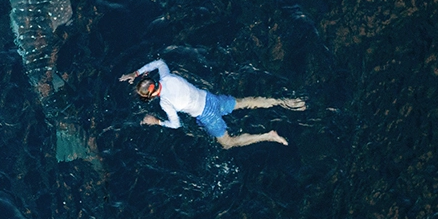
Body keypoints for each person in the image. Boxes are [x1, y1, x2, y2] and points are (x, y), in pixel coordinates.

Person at [119, 59, 306, 148]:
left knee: (228, 143)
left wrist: (156, 121)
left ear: (150, 96)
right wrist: (135, 73)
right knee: (245, 102)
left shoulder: (165, 104)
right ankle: (285, 102)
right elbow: (159, 62)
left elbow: (176, 125)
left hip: (207, 116)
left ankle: (269, 136)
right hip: (211, 99)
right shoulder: (167, 76)